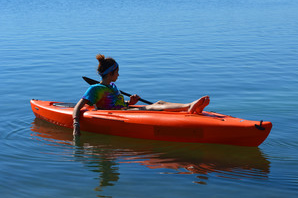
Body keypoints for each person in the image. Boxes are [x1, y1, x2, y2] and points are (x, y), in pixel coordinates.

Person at [72, 54, 210, 136]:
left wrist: (130, 102)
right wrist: (76, 124)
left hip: (123, 110)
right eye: (117, 72)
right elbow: (78, 107)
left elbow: (116, 103)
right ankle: (188, 106)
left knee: (160, 102)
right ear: (110, 74)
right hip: (113, 115)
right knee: (151, 108)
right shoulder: (95, 89)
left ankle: (189, 107)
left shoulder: (112, 86)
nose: (119, 74)